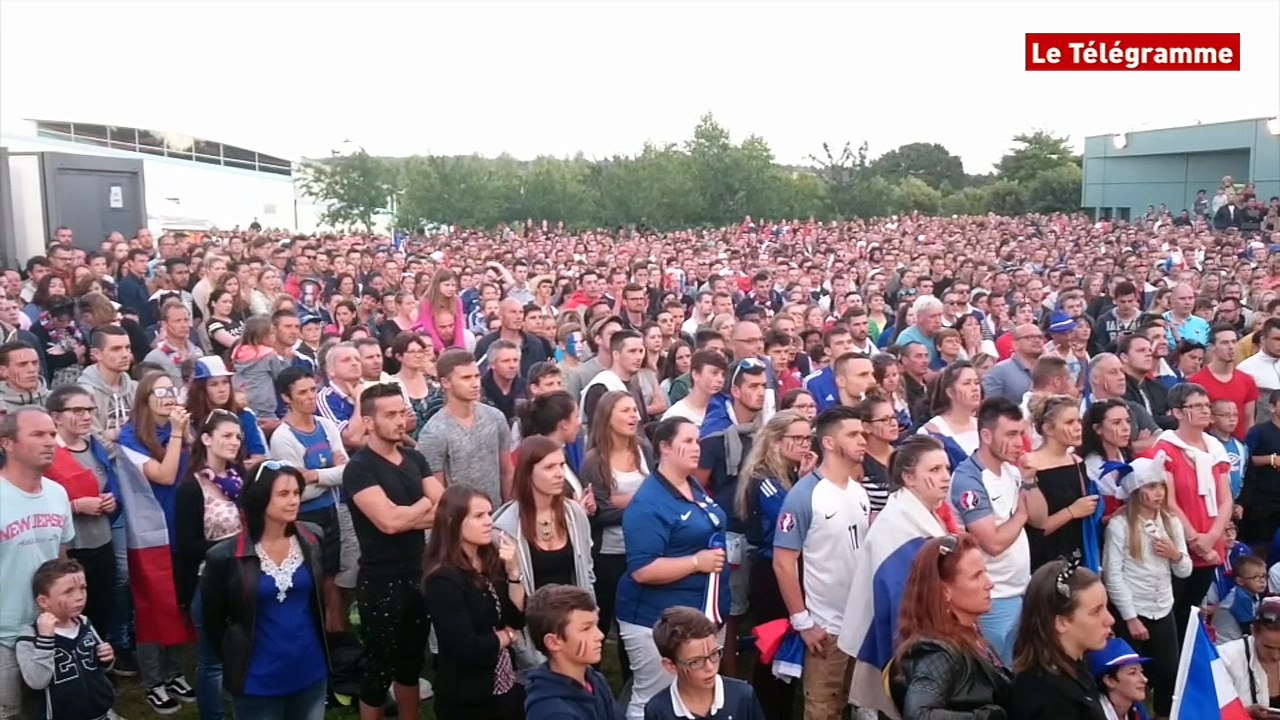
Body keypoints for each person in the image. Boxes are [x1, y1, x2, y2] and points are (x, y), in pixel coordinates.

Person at [615, 417, 729, 720]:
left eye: (698, 440)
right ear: (664, 447)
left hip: (700, 615)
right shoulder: (649, 502)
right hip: (656, 620)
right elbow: (642, 569)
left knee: (694, 697)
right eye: (688, 441)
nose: (697, 448)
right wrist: (696, 562)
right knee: (654, 697)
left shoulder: (690, 484)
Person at [200, 462, 329, 720]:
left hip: (310, 670)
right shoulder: (224, 557)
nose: (293, 501)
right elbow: (213, 623)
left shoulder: (312, 539)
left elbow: (318, 602)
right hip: (257, 681)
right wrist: (234, 660)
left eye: (296, 493)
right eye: (283, 494)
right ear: (260, 498)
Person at [842, 435, 959, 718]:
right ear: (909, 477)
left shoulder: (920, 514)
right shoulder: (898, 527)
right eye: (934, 470)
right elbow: (900, 606)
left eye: (946, 468)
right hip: (905, 654)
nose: (945, 477)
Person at [344, 382, 442, 720]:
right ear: (369, 422)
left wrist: (407, 514)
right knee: (378, 669)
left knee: (411, 664)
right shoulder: (359, 468)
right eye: (391, 415)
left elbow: (443, 510)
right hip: (380, 582)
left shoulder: (415, 457)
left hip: (419, 574)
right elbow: (387, 523)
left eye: (402, 412)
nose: (401, 420)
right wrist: (422, 507)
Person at [769, 405, 871, 720]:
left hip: (862, 623)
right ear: (828, 443)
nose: (862, 440)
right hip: (828, 630)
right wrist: (804, 623)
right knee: (823, 711)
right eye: (853, 434)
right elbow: (783, 563)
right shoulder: (805, 496)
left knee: (863, 706)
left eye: (863, 433)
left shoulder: (858, 492)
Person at [117, 371, 196, 714]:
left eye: (172, 390)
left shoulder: (180, 429)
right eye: (159, 391)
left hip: (184, 530)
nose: (168, 397)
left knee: (179, 604)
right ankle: (153, 681)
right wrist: (179, 434)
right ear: (145, 399)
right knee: (152, 607)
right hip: (151, 536)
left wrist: (183, 433)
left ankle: (175, 671)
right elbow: (164, 474)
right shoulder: (131, 436)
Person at [423, 485, 527, 720]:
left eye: (489, 514)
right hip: (467, 696)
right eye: (479, 516)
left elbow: (517, 618)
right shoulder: (442, 580)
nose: (489, 521)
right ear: (453, 522)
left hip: (505, 683)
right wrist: (506, 637)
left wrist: (514, 573)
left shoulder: (491, 560)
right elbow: (465, 648)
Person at [734, 410, 813, 720]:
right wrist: (806, 485)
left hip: (792, 567)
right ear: (777, 441)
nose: (805, 445)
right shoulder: (763, 477)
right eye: (797, 438)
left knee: (788, 651)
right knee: (772, 649)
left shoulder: (792, 473)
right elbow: (789, 519)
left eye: (808, 437)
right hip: (770, 573)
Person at [492, 436, 596, 667]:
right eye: (549, 467)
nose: (560, 473)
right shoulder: (505, 528)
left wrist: (591, 620)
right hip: (533, 630)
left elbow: (587, 574)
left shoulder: (573, 515)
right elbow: (508, 603)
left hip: (575, 623)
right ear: (528, 473)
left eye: (561, 465)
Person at [1100, 451, 1189, 718]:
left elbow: (1184, 570)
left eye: (1160, 485)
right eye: (1151, 486)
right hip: (1134, 610)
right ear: (1137, 491)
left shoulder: (1171, 522)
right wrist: (1129, 617)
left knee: (1168, 671)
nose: (1159, 492)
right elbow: (1113, 576)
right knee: (1129, 673)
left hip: (1162, 607)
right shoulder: (1119, 526)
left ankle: (1165, 713)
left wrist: (1174, 555)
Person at [0, 408, 74, 720]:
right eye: (38, 434)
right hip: (5, 638)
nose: (51, 442)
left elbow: (62, 561)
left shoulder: (58, 494)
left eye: (52, 434)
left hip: (49, 630)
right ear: (7, 443)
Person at [890, 535, 1012, 720]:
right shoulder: (936, 652)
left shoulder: (970, 635)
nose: (989, 583)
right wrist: (983, 718)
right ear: (945, 591)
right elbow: (919, 714)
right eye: (976, 576)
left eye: (984, 572)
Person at [950, 397, 1031, 666]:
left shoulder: (1012, 470)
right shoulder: (968, 480)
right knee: (997, 673)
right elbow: (992, 543)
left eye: (1021, 433)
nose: (1019, 442)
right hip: (993, 598)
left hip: (1020, 588)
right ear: (986, 435)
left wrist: (1030, 480)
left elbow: (1040, 518)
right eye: (1010, 434)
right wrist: (1021, 514)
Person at [174, 410, 245, 720]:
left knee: (244, 651)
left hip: (244, 577)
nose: (234, 442)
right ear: (206, 439)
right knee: (213, 660)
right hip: (210, 581)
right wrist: (232, 546)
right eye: (227, 436)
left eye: (238, 437)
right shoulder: (192, 488)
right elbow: (187, 547)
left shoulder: (238, 478)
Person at [270, 367, 349, 633]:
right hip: (304, 517)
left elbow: (346, 471)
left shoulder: (326, 426)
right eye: (302, 392)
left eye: (312, 390)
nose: (310, 397)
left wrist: (314, 474)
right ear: (287, 398)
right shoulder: (283, 437)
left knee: (332, 576)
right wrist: (330, 476)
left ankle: (335, 632)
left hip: (331, 511)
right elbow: (297, 491)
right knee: (312, 578)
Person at [581, 390, 652, 678]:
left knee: (634, 625)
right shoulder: (594, 460)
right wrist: (640, 503)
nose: (633, 416)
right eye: (625, 411)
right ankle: (591, 684)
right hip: (609, 554)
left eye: (634, 410)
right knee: (602, 619)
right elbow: (599, 513)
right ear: (607, 417)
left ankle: (633, 685)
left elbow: (657, 497)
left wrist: (629, 502)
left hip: (644, 551)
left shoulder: (644, 450)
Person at [1152, 382, 1234, 635]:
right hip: (1181, 544)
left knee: (1192, 612)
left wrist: (1211, 538)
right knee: (1177, 614)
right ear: (1177, 412)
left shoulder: (1215, 448)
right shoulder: (1165, 448)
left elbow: (1226, 500)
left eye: (1206, 405)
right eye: (1196, 406)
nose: (1204, 410)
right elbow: (1168, 501)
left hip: (1211, 543)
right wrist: (1195, 540)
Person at [43, 386, 121, 637]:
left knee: (104, 604)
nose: (87, 416)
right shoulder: (48, 453)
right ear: (56, 417)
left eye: (89, 410)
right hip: (72, 546)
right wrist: (76, 506)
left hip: (102, 539)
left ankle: (100, 658)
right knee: (74, 611)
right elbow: (39, 501)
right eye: (78, 410)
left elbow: (111, 484)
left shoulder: (95, 445)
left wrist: (111, 500)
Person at [1008, 560, 1114, 720]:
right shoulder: (1051, 698)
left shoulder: (1074, 668)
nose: (1110, 620)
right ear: (1061, 622)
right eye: (1096, 611)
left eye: (1106, 607)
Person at [14, 558, 116, 720]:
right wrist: (46, 640)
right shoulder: (29, 638)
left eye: (82, 588)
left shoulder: (84, 623)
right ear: (43, 601)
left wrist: (106, 659)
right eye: (69, 591)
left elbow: (99, 668)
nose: (79, 597)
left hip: (100, 712)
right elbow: (37, 681)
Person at [418, 349, 514, 506]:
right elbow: (437, 493)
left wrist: (510, 513)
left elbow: (507, 472)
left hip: (497, 517)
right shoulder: (433, 433)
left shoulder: (495, 417)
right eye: (466, 378)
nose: (475, 383)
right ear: (445, 383)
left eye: (476, 376)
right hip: (458, 521)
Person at [643, 606, 766, 720]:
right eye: (695, 661)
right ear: (670, 665)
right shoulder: (658, 711)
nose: (710, 667)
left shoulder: (743, 696)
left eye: (714, 654)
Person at [522, 584, 624, 720]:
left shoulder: (595, 679)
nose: (599, 635)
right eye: (586, 629)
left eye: (596, 625)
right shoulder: (553, 713)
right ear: (553, 642)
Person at [1023, 395, 1100, 572]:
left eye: (1078, 421)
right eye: (1069, 422)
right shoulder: (1030, 465)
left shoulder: (1076, 461)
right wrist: (1072, 512)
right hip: (1044, 563)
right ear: (1048, 429)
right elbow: (1034, 530)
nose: (1077, 428)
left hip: (1077, 556)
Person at [184, 356, 268, 470]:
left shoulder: (245, 416)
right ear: (201, 389)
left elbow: (258, 457)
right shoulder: (189, 419)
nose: (222, 389)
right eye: (214, 384)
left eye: (225, 382)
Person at [1218, 596, 1280, 716]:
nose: (1275, 656)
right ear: (1253, 631)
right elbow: (1204, 712)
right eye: (1267, 647)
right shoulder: (1225, 658)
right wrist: (1245, 713)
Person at [1084, 637, 1152, 720]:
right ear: (1109, 681)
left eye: (1141, 671)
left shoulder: (1137, 709)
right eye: (1132, 673)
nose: (1144, 679)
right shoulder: (1090, 714)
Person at [1212, 555, 1268, 644]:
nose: (1262, 581)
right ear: (1240, 581)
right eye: (1256, 577)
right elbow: (1249, 631)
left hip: (1237, 641)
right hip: (1226, 646)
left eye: (1264, 576)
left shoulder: (1252, 594)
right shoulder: (1240, 599)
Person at [0, 341, 50, 414]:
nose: (31, 369)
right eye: (22, 364)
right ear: (3, 371)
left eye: (35, 363)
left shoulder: (57, 401)